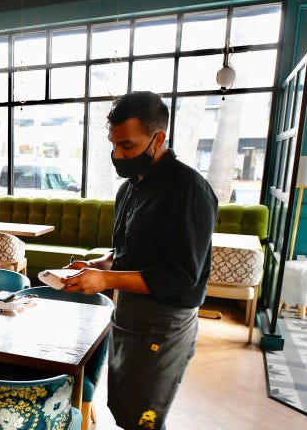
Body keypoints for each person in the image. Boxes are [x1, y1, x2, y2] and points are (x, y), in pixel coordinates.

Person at [61, 91, 218, 430]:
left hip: (164, 321)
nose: (118, 154)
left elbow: (180, 276)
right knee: (123, 403)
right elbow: (126, 253)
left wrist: (106, 281)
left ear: (158, 138)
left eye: (128, 146)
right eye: (113, 145)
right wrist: (101, 266)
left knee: (144, 416)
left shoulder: (188, 191)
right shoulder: (129, 188)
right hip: (127, 312)